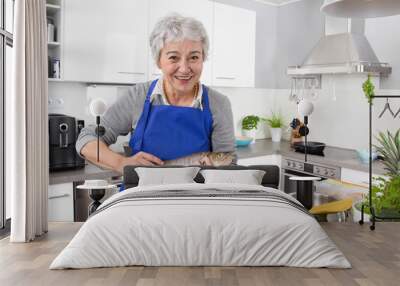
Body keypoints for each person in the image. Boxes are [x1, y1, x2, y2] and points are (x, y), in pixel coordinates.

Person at [76, 14, 236, 173]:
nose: (184, 68)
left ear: (203, 58)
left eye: (194, 57)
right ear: (158, 60)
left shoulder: (218, 103)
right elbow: (87, 138)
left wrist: (217, 169)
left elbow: (228, 161)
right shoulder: (137, 96)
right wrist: (120, 162)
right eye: (173, 57)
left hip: (197, 197)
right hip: (144, 196)